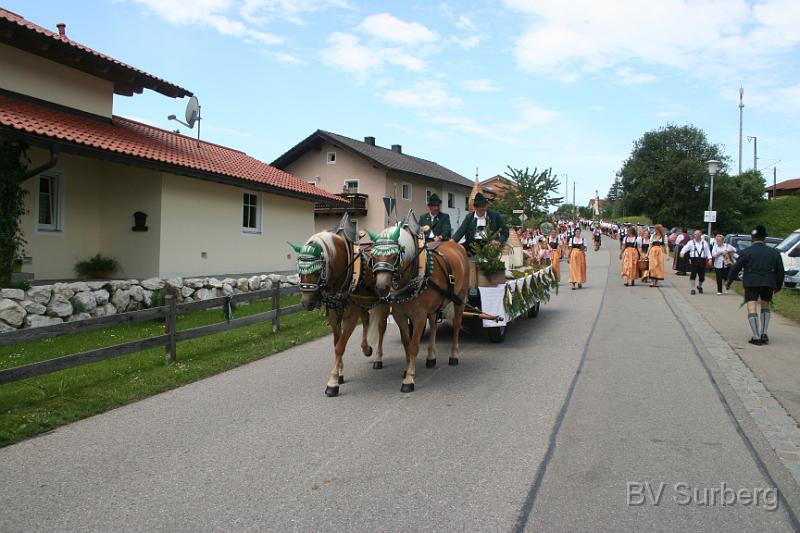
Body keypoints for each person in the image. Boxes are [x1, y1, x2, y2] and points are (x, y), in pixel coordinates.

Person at [727, 225, 785, 345]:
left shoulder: (746, 252)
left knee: (752, 307)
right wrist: (778, 286)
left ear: (752, 238)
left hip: (751, 282)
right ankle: (764, 333)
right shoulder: (774, 252)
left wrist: (729, 281)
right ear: (765, 238)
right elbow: (780, 271)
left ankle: (756, 336)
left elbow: (735, 268)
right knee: (765, 306)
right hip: (768, 283)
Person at [679, 230, 712, 295]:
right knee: (693, 274)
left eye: (697, 235)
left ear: (700, 236)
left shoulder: (704, 242)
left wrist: (710, 259)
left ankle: (699, 286)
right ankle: (692, 288)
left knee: (702, 276)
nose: (695, 236)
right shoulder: (691, 242)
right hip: (694, 260)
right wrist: (682, 253)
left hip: (702, 260)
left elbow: (707, 251)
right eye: (695, 235)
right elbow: (685, 248)